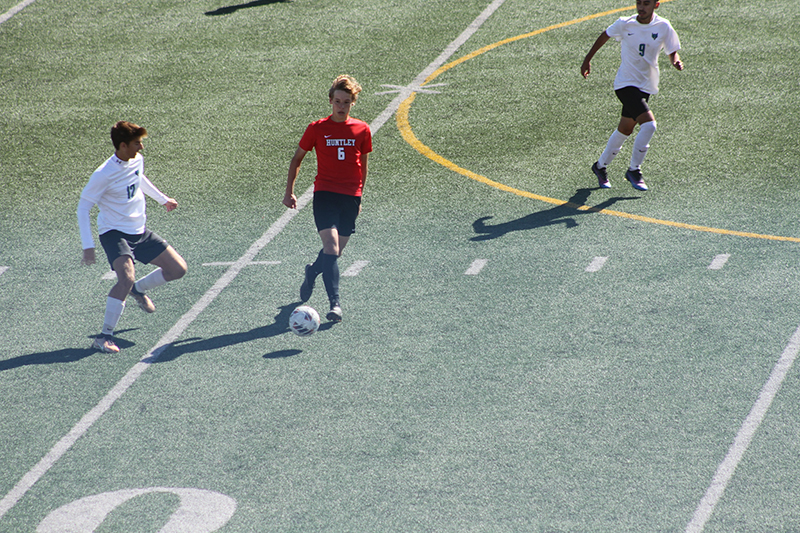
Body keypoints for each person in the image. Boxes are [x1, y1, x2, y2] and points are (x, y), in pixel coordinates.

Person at [78, 121, 187, 353]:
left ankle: (137, 290)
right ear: (123, 145)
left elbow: (139, 178)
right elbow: (83, 207)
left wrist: (162, 199)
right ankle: (104, 336)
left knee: (178, 270)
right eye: (137, 143)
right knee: (124, 279)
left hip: (140, 231)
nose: (141, 147)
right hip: (115, 233)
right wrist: (88, 245)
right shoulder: (103, 174)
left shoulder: (136, 159)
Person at [283, 75, 372, 323]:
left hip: (350, 197)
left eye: (346, 102)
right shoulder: (317, 128)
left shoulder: (362, 129)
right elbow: (297, 159)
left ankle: (312, 271)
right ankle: (335, 304)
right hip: (325, 194)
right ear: (330, 101)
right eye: (337, 101)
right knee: (331, 248)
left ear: (352, 103)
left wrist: (360, 195)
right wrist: (289, 190)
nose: (341, 107)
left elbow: (362, 164)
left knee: (335, 253)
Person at [581, 0, 683, 191]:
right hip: (625, 84)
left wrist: (675, 61)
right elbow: (604, 36)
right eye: (638, 3)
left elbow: (672, 50)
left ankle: (600, 166)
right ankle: (634, 170)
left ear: (656, 5)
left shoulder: (663, 26)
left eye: (646, 3)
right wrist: (587, 59)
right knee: (649, 124)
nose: (641, 7)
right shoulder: (625, 23)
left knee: (625, 129)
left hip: (646, 86)